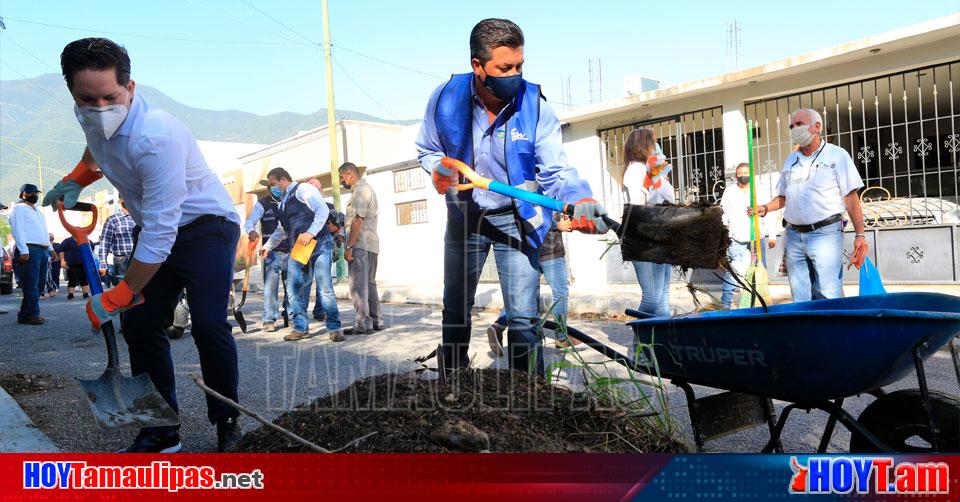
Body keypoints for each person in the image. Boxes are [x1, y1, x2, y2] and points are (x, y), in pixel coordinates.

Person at [43, 38, 243, 453]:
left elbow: (160, 234)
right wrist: (77, 178)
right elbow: (95, 145)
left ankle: (227, 419)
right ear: (73, 93)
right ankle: (161, 428)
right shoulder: (89, 111)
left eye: (110, 97)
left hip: (206, 227)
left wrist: (120, 293)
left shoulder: (157, 138)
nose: (99, 109)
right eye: (87, 99)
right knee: (140, 324)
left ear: (130, 89)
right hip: (156, 226)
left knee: (207, 324)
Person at [415, 19, 607, 374]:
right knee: (455, 309)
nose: (514, 75)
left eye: (519, 66)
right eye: (505, 68)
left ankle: (529, 398)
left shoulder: (535, 107)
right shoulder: (445, 99)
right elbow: (426, 149)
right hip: (464, 218)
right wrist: (438, 167)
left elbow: (556, 170)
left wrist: (580, 198)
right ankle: (452, 388)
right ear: (478, 66)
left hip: (515, 218)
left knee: (522, 318)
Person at [750, 108, 868, 301]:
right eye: (792, 126)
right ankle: (807, 330)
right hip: (795, 236)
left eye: (800, 124)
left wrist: (860, 234)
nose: (795, 129)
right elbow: (783, 196)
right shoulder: (790, 161)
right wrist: (764, 208)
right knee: (800, 295)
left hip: (826, 234)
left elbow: (850, 198)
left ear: (817, 126)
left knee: (828, 293)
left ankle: (834, 330)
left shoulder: (837, 156)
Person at [262, 167, 343, 342]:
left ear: (283, 179)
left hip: (320, 242)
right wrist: (268, 246)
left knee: (325, 287)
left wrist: (311, 232)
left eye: (273, 184)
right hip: (301, 247)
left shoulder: (304, 190)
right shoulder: (282, 203)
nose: (272, 188)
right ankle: (300, 327)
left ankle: (335, 329)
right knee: (293, 287)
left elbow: (322, 210)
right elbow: (282, 230)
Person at [487, 218, 575, 355]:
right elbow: (533, 213)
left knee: (524, 293)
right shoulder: (545, 196)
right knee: (560, 293)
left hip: (529, 250)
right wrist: (557, 225)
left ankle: (499, 325)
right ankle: (562, 338)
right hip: (550, 250)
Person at [619, 128, 675, 318]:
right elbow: (637, 210)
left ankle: (663, 343)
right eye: (654, 142)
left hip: (660, 236)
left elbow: (665, 198)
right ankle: (639, 343)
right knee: (652, 298)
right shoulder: (636, 171)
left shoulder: (649, 170)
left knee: (662, 298)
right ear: (643, 145)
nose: (657, 146)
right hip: (643, 239)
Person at [719, 163, 777, 308]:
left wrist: (772, 235)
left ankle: (756, 302)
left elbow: (767, 212)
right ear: (736, 175)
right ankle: (726, 303)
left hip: (757, 236)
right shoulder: (730, 192)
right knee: (732, 271)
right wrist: (726, 232)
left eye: (746, 172)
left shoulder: (759, 190)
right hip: (736, 237)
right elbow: (724, 213)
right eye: (740, 173)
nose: (743, 176)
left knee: (758, 270)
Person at [339, 162, 383, 335]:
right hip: (371, 244)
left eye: (342, 177)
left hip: (361, 244)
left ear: (350, 174)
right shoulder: (366, 189)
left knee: (358, 285)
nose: (342, 181)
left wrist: (349, 246)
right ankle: (376, 321)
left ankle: (363, 323)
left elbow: (358, 220)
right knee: (370, 284)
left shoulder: (360, 191)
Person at [245, 181, 289, 333]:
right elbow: (250, 221)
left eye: (278, 185)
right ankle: (269, 319)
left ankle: (290, 315)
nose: (276, 189)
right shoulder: (262, 204)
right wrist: (251, 230)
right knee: (270, 288)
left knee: (292, 287)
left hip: (291, 251)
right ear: (269, 188)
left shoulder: (289, 199)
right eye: (272, 186)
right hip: (271, 254)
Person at [9, 184, 54, 325]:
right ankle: (33, 315)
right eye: (31, 193)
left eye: (36, 192)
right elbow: (18, 230)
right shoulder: (19, 209)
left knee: (40, 285)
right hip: (29, 249)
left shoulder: (38, 211)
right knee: (31, 285)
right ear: (23, 194)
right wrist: (23, 250)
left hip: (42, 250)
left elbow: (43, 231)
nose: (34, 195)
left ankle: (23, 315)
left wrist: (51, 248)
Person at [97, 198, 136, 287]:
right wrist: (103, 263)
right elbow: (105, 242)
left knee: (140, 288)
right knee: (123, 288)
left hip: (139, 258)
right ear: (120, 201)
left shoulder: (139, 218)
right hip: (122, 260)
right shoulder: (113, 220)